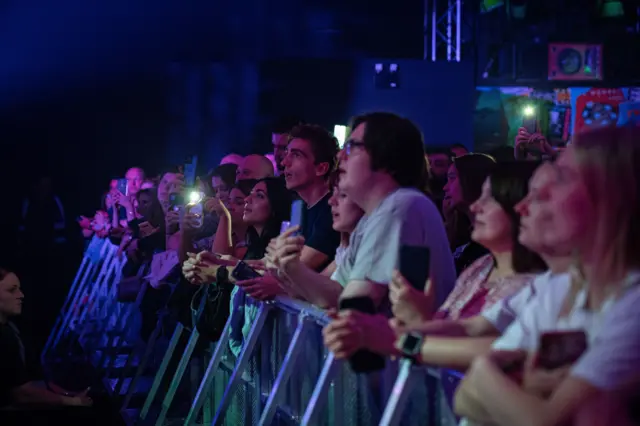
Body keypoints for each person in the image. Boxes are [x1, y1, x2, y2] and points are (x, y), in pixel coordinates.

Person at [455, 126, 640, 426]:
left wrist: (483, 371)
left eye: (563, 177)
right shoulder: (561, 287)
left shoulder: (633, 307)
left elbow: (544, 422)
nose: (528, 202)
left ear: (613, 197)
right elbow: (463, 398)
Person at [271, 165, 365, 308]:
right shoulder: (347, 248)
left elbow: (336, 300)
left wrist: (293, 267)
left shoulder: (372, 246)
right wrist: (278, 271)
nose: (331, 201)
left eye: (343, 195)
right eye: (333, 193)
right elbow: (309, 293)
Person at [0, 265, 92, 409]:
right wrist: (73, 402)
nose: (21, 295)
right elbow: (20, 393)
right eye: (12, 290)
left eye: (19, 289)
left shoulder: (9, 327)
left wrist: (67, 395)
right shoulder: (4, 337)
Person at [281, 124, 341, 271]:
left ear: (321, 168)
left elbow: (293, 270)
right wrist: (227, 264)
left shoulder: (332, 211)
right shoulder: (299, 208)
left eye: (296, 155)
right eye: (287, 153)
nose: (284, 162)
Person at [443, 153, 496, 274]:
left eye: (451, 178)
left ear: (471, 180)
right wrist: (449, 220)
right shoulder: (463, 229)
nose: (445, 187)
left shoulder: (491, 237)